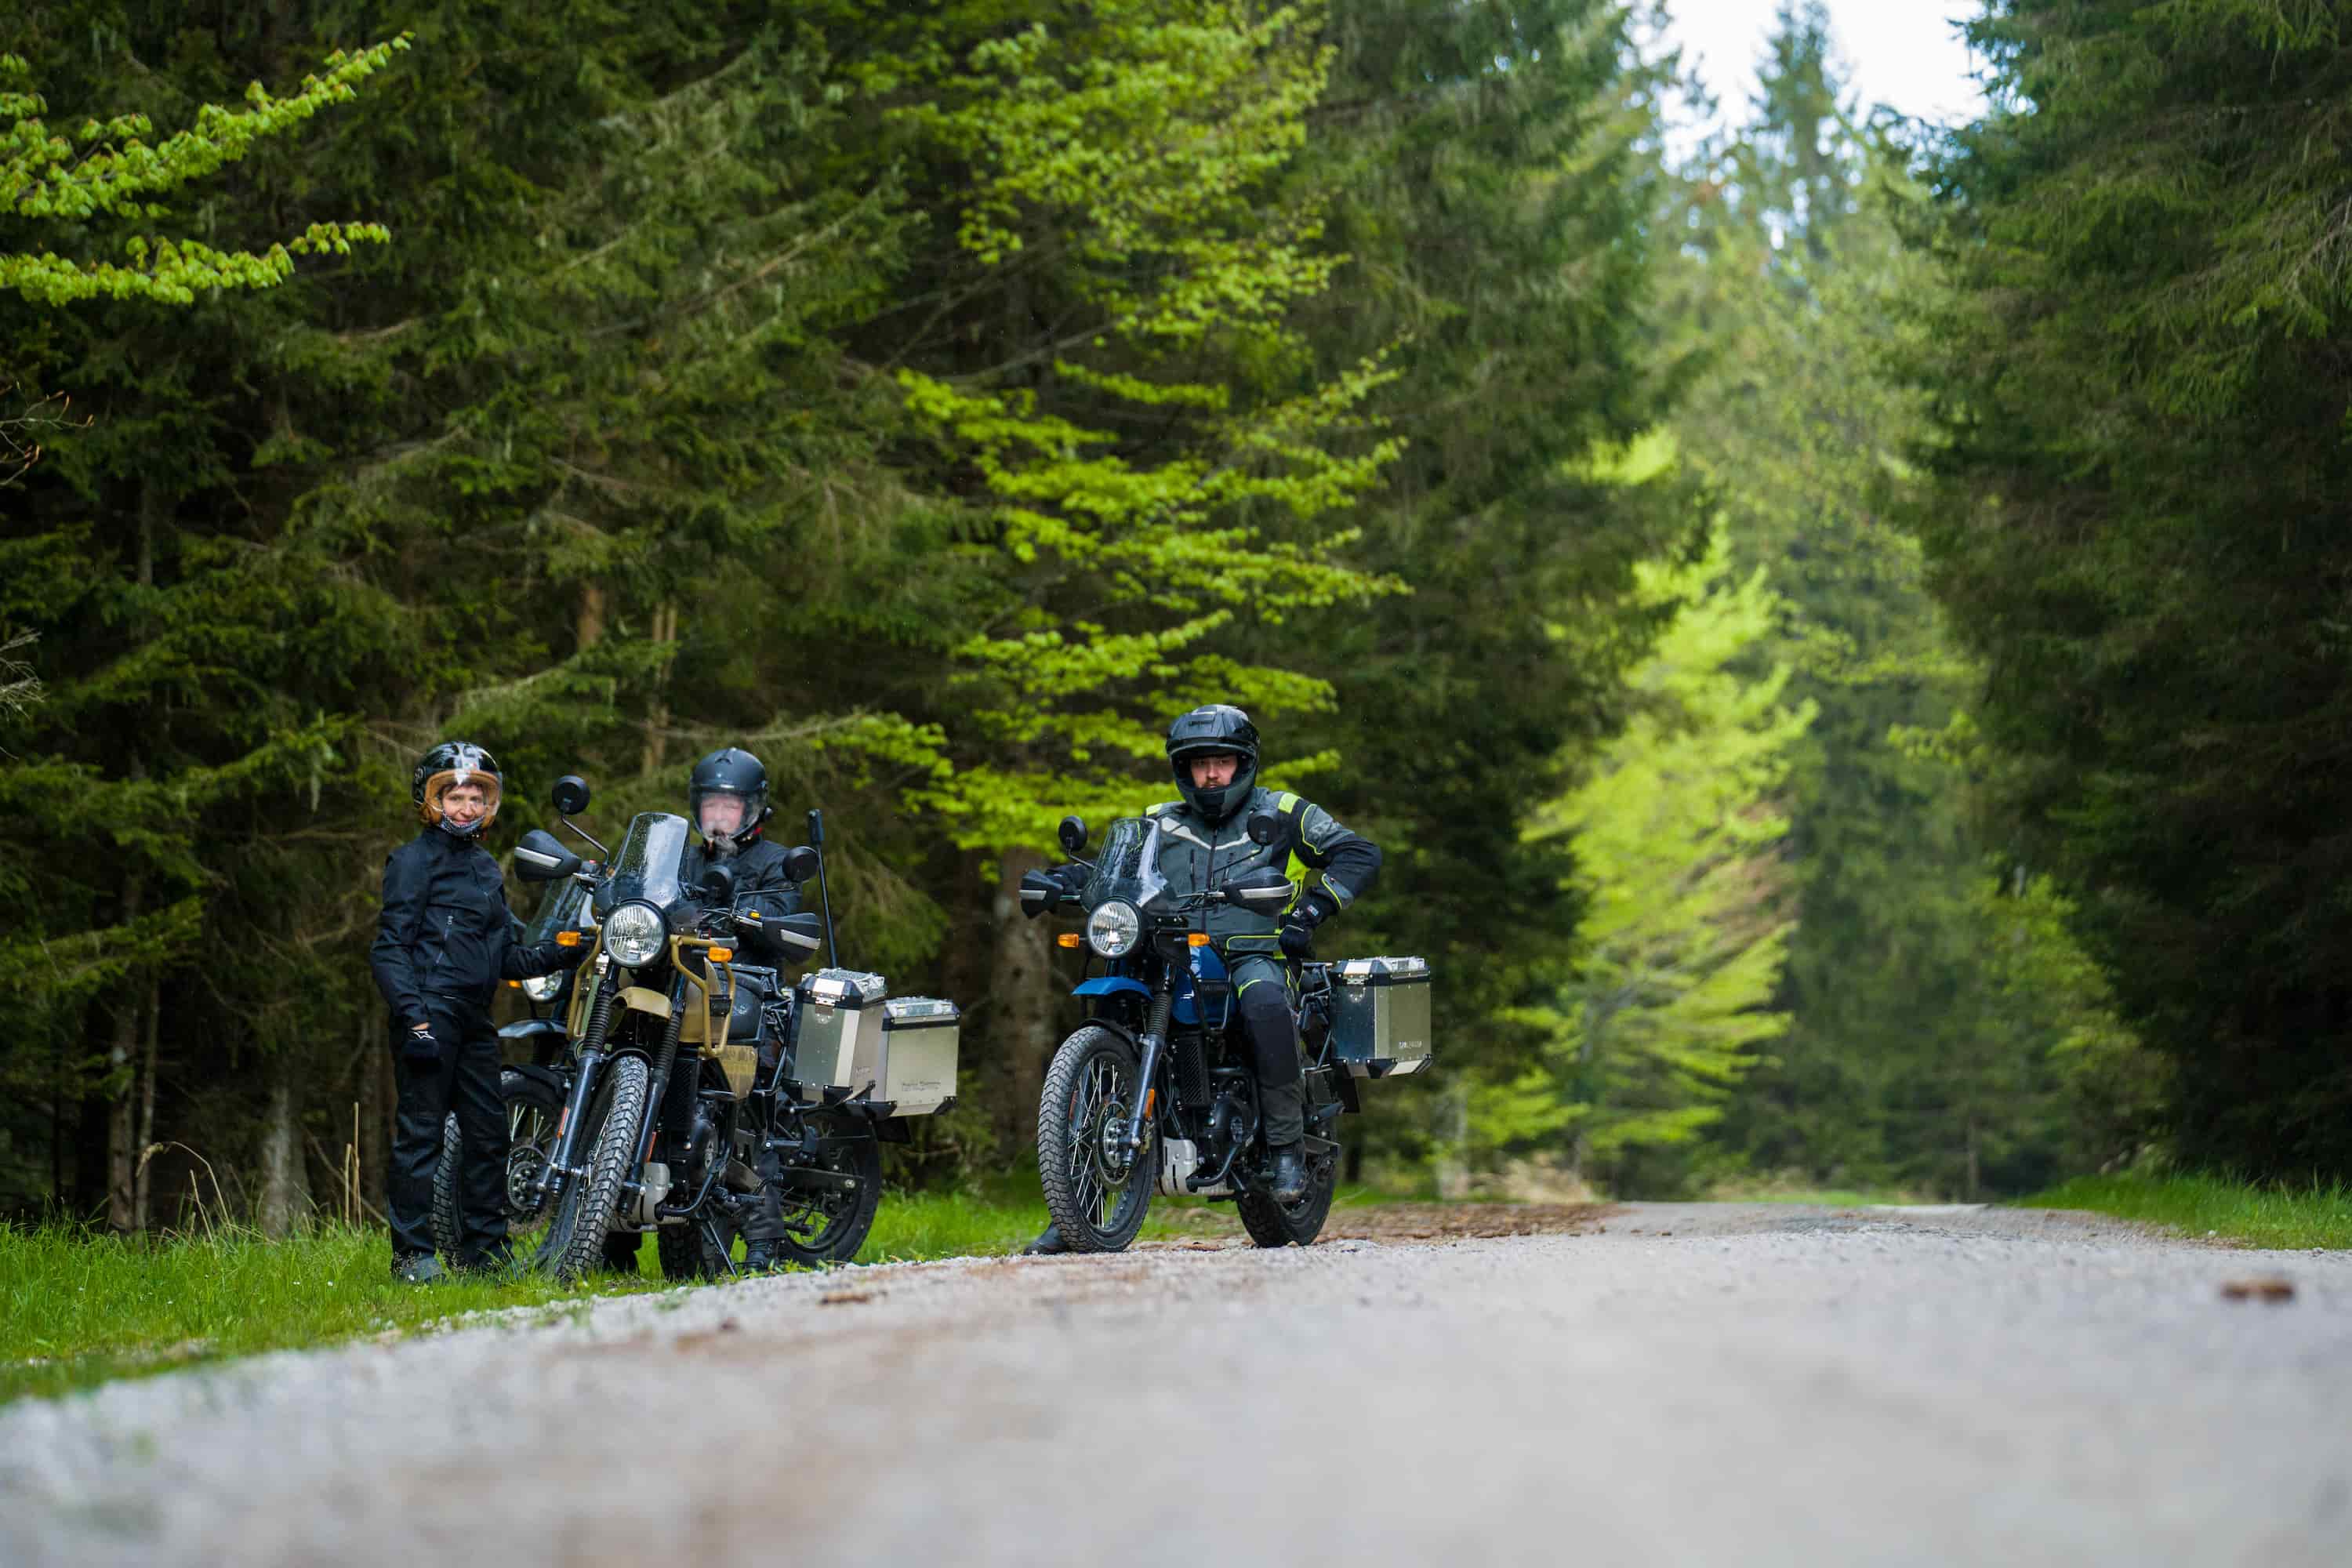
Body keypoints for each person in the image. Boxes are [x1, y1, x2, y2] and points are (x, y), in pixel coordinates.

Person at [1025, 703, 1380, 1255]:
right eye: (1200, 765)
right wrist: (1066, 879)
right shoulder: (1159, 818)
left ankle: (1286, 1150)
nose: (1211, 775)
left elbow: (1358, 853)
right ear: (1183, 770)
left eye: (1222, 762)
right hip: (1164, 949)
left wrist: (1312, 910)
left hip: (1250, 952)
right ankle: (1077, 1211)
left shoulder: (1284, 811)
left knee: (1264, 1005)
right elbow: (1117, 872)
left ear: (1245, 764)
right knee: (1110, 1017)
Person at [370, 742, 586, 1284]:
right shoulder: (411, 861)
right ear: (431, 800)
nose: (465, 808)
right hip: (428, 1012)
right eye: (454, 797)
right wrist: (414, 1018)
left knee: (489, 1135)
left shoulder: (487, 868)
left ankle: (483, 1253)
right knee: (421, 1136)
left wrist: (566, 948)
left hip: (474, 1017)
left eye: (476, 797)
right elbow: (389, 949)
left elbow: (504, 955)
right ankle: (412, 1257)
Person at [680, 746, 809, 1270]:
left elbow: (783, 918)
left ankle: (764, 1237)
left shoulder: (776, 862)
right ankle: (612, 1240)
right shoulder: (683, 859)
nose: (718, 817)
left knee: (752, 1102)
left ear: (752, 810)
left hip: (752, 997)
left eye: (729, 808)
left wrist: (749, 916)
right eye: (711, 806)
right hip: (686, 994)